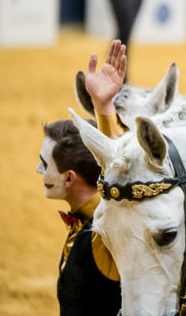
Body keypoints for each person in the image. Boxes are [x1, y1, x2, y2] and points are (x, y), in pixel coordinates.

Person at [38, 118, 120, 315]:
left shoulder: (106, 232)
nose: (38, 170)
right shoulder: (86, 222)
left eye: (44, 164)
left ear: (69, 178)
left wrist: (103, 106)